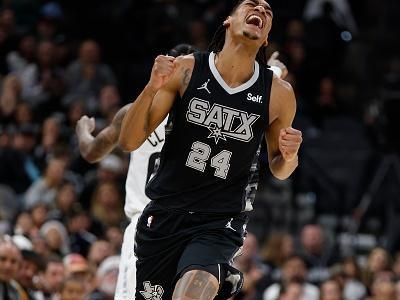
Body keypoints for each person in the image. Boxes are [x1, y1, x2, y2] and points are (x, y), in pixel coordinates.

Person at [75, 41, 288, 300]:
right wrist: (273, 71)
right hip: (167, 220)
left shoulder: (135, 113)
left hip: (164, 220)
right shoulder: (209, 111)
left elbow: (91, 151)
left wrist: (83, 133)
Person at [118, 0, 302, 299]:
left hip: (219, 219)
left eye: (269, 10)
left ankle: (216, 273)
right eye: (252, 4)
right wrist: (151, 87)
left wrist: (290, 155)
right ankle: (222, 280)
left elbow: (280, 169)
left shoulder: (279, 94)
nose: (262, 9)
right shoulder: (187, 69)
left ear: (266, 37)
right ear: (228, 21)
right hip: (165, 213)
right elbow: (128, 141)